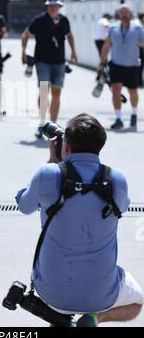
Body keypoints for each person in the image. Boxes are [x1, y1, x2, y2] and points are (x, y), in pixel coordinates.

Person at [16, 113, 143, 326]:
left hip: (50, 291)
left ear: (66, 147)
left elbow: (24, 205)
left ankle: (63, 317)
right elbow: (122, 206)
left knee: (60, 287)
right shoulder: (117, 180)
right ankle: (94, 318)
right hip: (100, 295)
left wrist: (54, 163)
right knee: (137, 301)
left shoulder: (47, 174)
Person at [21, 0, 78, 139]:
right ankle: (42, 124)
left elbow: (70, 35)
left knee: (57, 92)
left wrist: (73, 52)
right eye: (51, 6)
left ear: (59, 7)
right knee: (44, 91)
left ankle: (53, 124)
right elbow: (26, 34)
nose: (53, 8)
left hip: (59, 62)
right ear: (47, 7)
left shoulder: (64, 21)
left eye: (56, 6)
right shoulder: (39, 20)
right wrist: (23, 51)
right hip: (42, 61)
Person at [100, 5, 144, 130]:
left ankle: (134, 114)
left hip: (133, 65)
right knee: (115, 89)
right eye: (122, 12)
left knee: (133, 91)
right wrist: (102, 62)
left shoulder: (137, 28)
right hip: (116, 64)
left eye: (126, 12)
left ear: (131, 14)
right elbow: (107, 45)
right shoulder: (113, 28)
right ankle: (118, 118)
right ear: (118, 14)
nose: (124, 14)